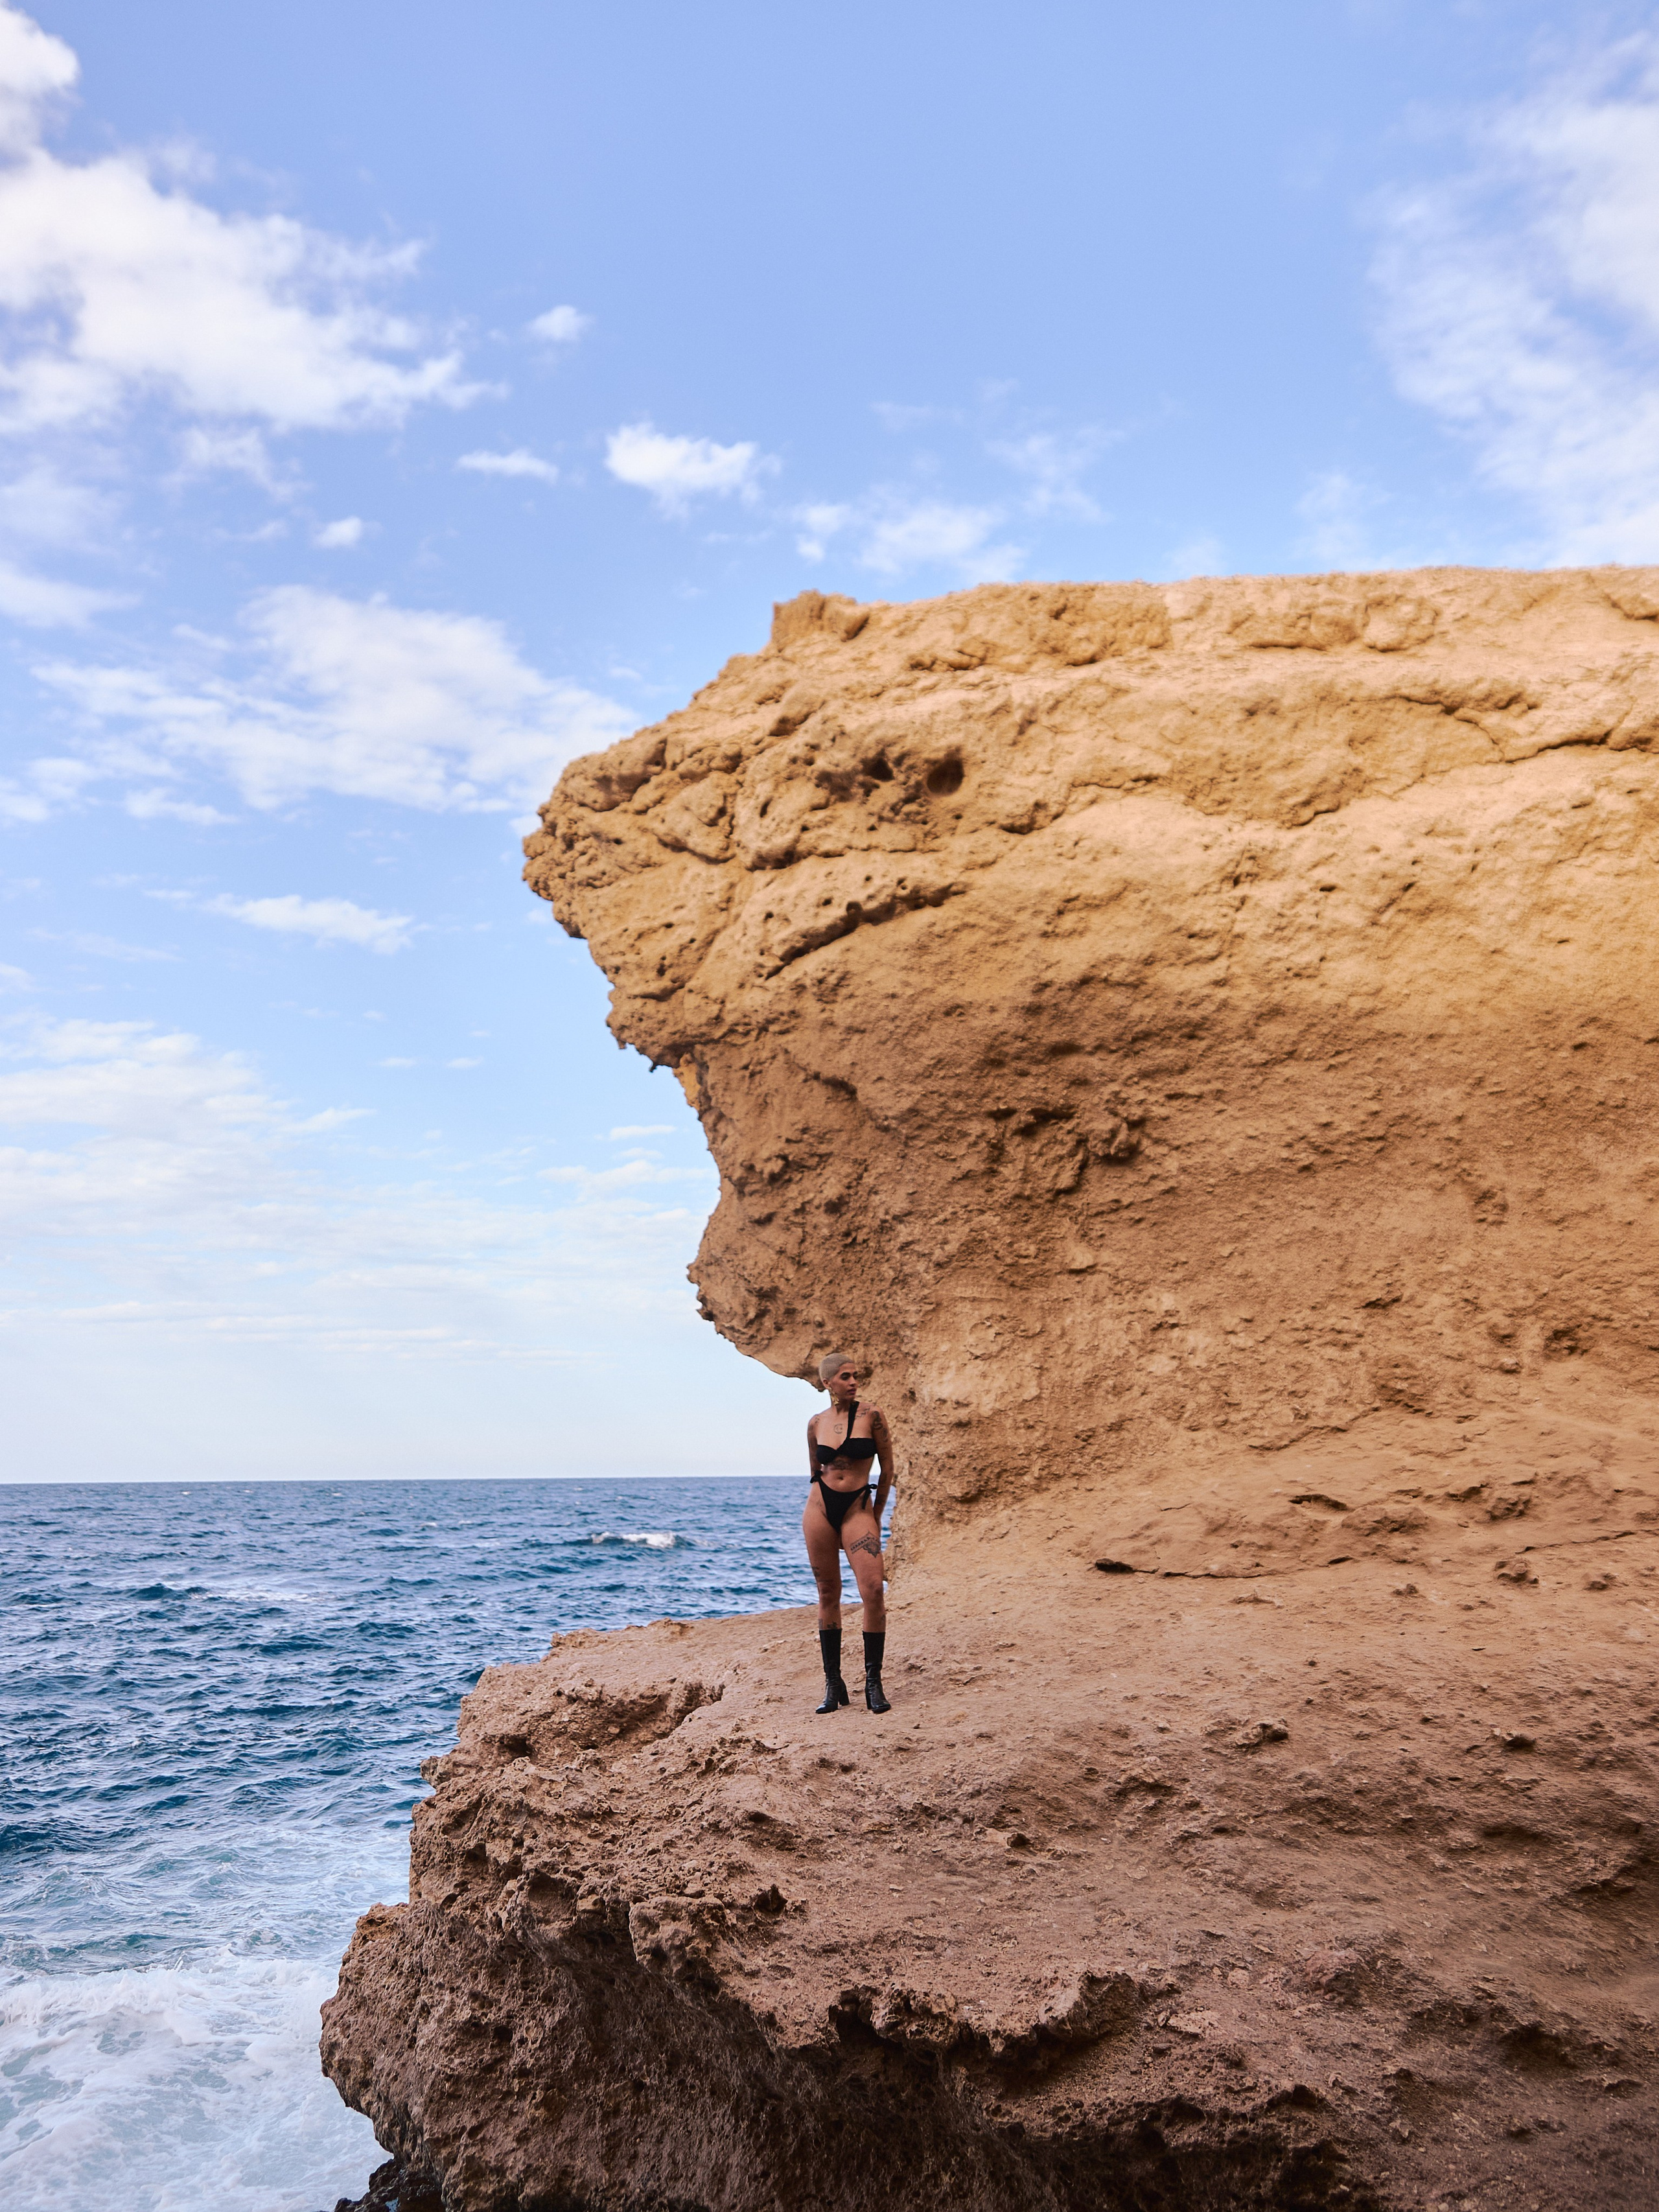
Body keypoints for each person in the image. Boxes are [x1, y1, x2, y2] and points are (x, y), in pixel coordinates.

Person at [804, 1353, 894, 1715]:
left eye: (856, 1375)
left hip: (859, 1506)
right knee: (828, 1592)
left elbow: (887, 1471)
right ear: (828, 1383)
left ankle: (874, 1682)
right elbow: (815, 1469)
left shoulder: (872, 1415)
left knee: (872, 1590)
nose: (854, 1381)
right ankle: (833, 1683)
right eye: (845, 1376)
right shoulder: (815, 1423)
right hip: (820, 1509)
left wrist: (874, 1513)